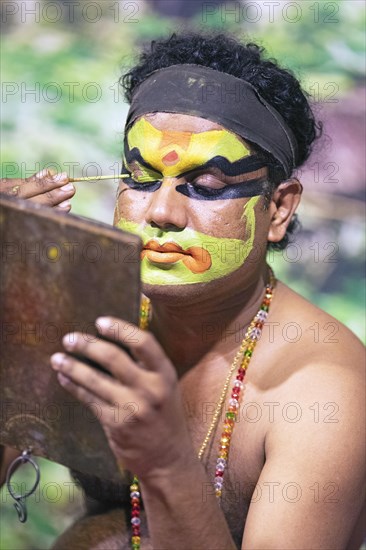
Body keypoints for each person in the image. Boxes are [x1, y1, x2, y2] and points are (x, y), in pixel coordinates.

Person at [1, 33, 364, 550]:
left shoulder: (322, 394)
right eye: (143, 179)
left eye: (208, 187)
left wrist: (167, 462)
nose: (161, 213)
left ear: (279, 209)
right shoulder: (93, 314)